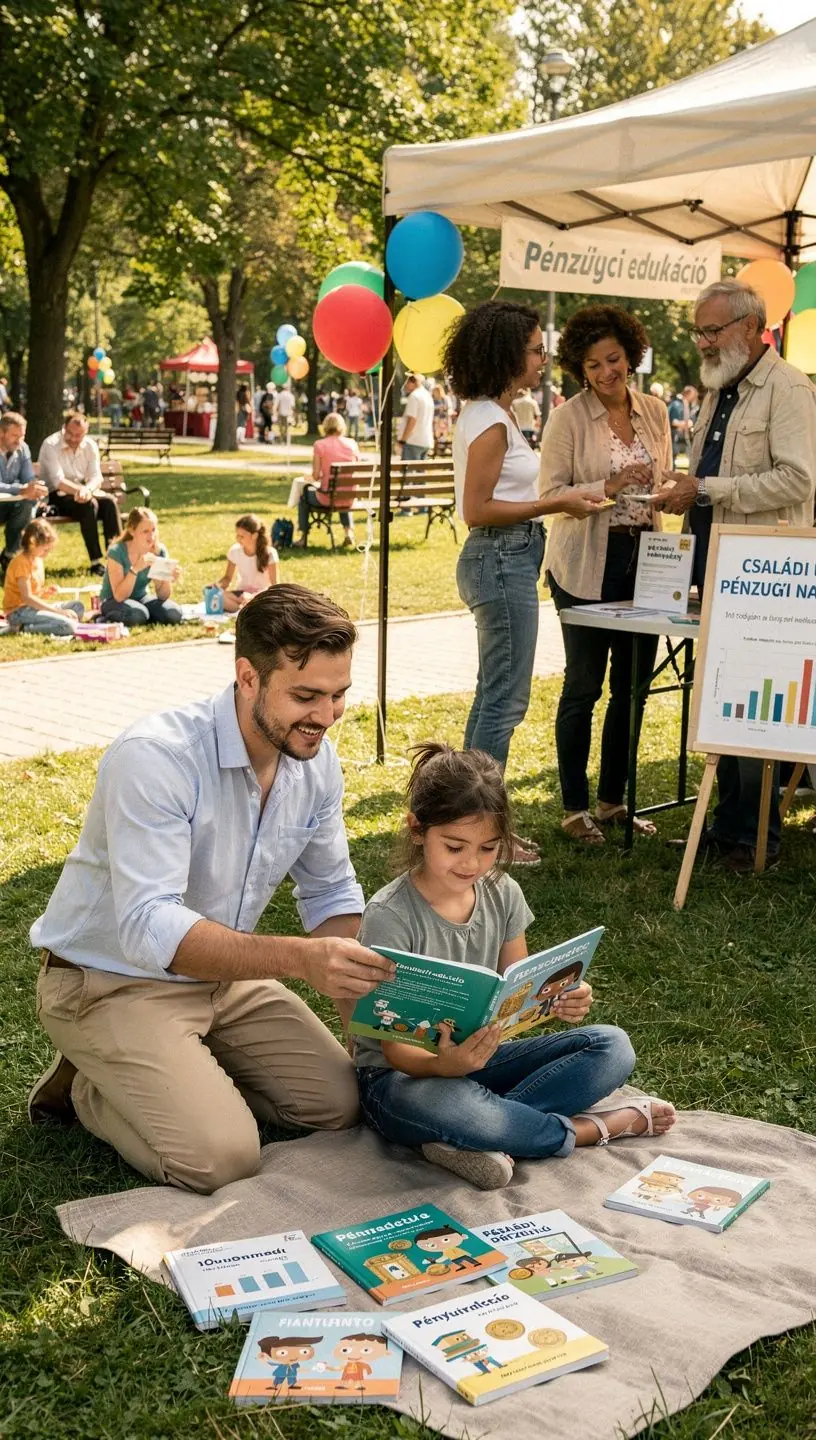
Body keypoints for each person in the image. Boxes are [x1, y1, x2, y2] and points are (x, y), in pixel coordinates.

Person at [28, 584, 395, 1192]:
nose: (326, 717)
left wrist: (371, 1023)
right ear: (247, 677)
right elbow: (151, 927)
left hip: (222, 977)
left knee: (341, 1105)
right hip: (109, 982)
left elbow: (330, 893)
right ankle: (92, 1084)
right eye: (306, 696)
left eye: (338, 696)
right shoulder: (157, 757)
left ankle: (169, 1065)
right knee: (220, 1160)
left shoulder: (315, 760)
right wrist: (303, 960)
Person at [354, 743, 675, 1191]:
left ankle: (481, 1135)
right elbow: (394, 1052)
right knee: (453, 1104)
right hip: (402, 1079)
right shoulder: (389, 915)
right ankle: (584, 1130)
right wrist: (446, 1067)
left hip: (481, 1059)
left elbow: (515, 993)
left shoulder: (502, 892)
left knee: (612, 1047)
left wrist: (558, 998)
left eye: (488, 848)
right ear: (417, 830)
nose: (472, 863)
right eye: (454, 846)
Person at [653, 280, 816, 872]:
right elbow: (710, 473)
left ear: (752, 327)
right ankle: (724, 826)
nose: (702, 341)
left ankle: (756, 840)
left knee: (756, 705)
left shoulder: (788, 389)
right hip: (713, 563)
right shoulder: (719, 387)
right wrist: (682, 489)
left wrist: (708, 488)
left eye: (712, 330)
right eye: (699, 330)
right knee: (719, 694)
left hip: (766, 577)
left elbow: (799, 480)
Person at [443, 300, 603, 863]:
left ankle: (465, 820)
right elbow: (477, 509)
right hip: (500, 558)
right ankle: (481, 833)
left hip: (508, 558)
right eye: (536, 348)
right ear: (509, 353)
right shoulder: (489, 420)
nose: (544, 357)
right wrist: (554, 501)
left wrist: (564, 497)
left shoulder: (496, 413)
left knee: (494, 695)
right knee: (505, 702)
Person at [539, 304, 672, 845]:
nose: (605, 372)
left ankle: (613, 801)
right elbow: (550, 497)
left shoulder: (655, 411)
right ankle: (574, 809)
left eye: (613, 359)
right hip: (585, 564)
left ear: (631, 355)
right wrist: (612, 484)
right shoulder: (566, 418)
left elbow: (660, 480)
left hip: (648, 561)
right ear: (580, 369)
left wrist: (669, 490)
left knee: (632, 689)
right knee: (584, 686)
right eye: (592, 365)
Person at [37, 412, 120, 576]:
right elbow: (57, 481)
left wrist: (86, 490)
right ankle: (96, 561)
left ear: (86, 432)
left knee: (109, 502)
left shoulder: (90, 445)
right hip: (57, 495)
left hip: (84, 491)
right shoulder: (51, 444)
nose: (74, 439)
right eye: (70, 434)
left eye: (79, 435)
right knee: (89, 505)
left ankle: (117, 558)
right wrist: (80, 491)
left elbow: (96, 476)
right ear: (64, 428)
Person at [98, 506, 182, 627]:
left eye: (153, 530)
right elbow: (119, 596)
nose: (151, 536)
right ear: (132, 530)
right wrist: (135, 569)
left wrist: (167, 579)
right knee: (138, 614)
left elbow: (163, 595)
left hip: (141, 598)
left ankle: (145, 615)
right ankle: (109, 616)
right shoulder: (117, 552)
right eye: (145, 531)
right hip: (113, 601)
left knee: (173, 614)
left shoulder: (159, 551)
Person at [3, 519, 84, 635]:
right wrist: (58, 612)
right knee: (68, 626)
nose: (47, 553)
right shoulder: (20, 563)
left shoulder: (38, 560)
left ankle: (46, 624)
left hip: (33, 608)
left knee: (77, 606)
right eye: (45, 549)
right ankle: (21, 629)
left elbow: (34, 592)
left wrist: (45, 592)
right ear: (32, 542)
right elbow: (27, 598)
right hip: (18, 612)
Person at [295, 414, 359, 548]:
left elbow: (316, 475)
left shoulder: (320, 445)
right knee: (342, 491)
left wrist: (308, 477)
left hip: (327, 498)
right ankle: (349, 533)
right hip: (349, 497)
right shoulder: (352, 444)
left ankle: (303, 536)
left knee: (303, 498)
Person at [0, 411, 48, 580]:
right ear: (1, 432)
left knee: (29, 504)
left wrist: (35, 488)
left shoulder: (22, 448)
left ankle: (9, 555)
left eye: (22, 435)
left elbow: (28, 478)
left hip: (12, 504)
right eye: (14, 435)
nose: (19, 440)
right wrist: (21, 490)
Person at [215, 513, 280, 612]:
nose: (238, 539)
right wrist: (216, 587)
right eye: (237, 535)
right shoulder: (234, 551)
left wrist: (253, 597)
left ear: (254, 535)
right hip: (240, 595)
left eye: (242, 536)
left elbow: (274, 585)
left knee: (267, 602)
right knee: (218, 597)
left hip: (261, 595)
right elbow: (227, 578)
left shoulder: (270, 553)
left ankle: (244, 610)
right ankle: (247, 610)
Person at [399, 373, 435, 460]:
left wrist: (403, 439)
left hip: (413, 441)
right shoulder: (428, 396)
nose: (406, 384)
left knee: (410, 473)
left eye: (408, 381)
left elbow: (412, 420)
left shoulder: (414, 396)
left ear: (414, 382)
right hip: (426, 441)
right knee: (420, 472)